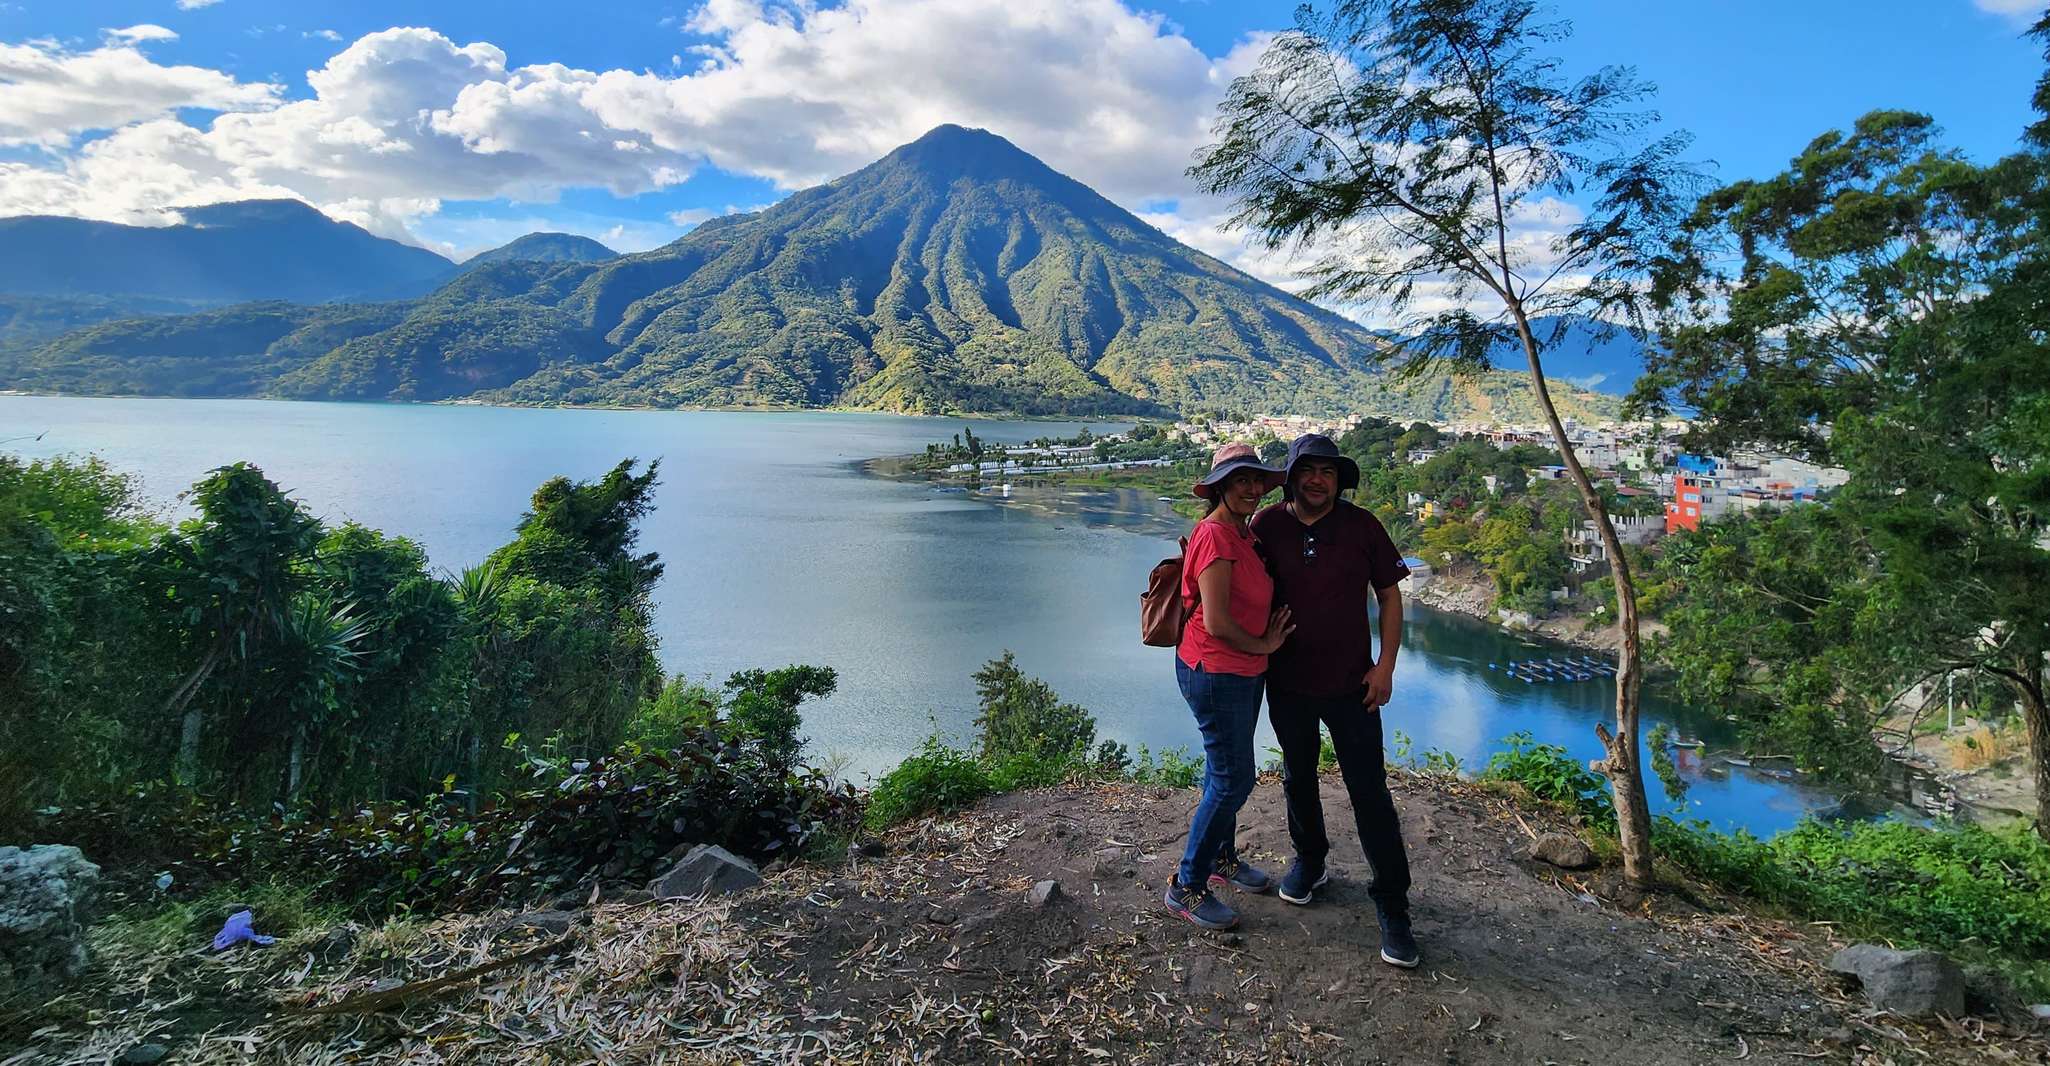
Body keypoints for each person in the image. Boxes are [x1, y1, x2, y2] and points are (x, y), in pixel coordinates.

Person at [1251, 433, 1420, 968]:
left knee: (1369, 792)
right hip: (1287, 682)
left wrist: (1386, 666)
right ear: (1293, 475)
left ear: (1339, 478)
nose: (1317, 479)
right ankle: (1310, 860)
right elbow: (1234, 578)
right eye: (1308, 469)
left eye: (1327, 470)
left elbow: (1390, 595)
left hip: (1355, 686)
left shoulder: (1362, 526)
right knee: (1297, 777)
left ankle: (1393, 904)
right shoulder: (1267, 524)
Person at [1163, 442, 1294, 931]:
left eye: (1256, 480)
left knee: (1221, 770)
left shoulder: (1244, 533)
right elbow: (1216, 622)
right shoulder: (1216, 536)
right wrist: (1265, 644)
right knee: (1234, 778)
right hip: (1216, 671)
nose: (1252, 488)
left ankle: (1220, 857)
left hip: (1238, 673)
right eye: (1240, 480)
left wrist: (1260, 651)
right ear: (1219, 486)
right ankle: (1185, 886)